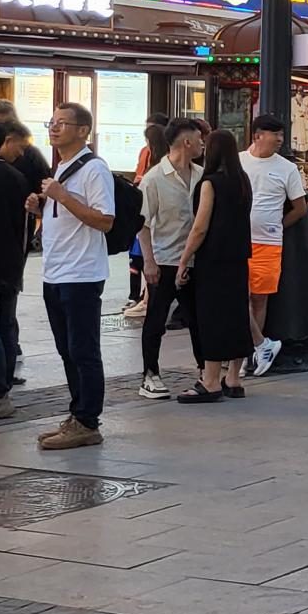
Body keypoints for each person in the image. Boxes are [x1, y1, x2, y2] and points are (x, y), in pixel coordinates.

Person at [28, 102, 115, 451]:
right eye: (52, 122)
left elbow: (104, 220)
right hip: (55, 271)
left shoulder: (95, 169)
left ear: (83, 130)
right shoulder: (63, 166)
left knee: (83, 349)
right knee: (67, 349)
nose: (54, 128)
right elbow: (64, 215)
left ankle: (88, 420)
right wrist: (42, 205)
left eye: (63, 123)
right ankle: (77, 414)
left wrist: (61, 197)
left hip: (81, 272)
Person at [175, 128, 252, 403]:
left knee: (212, 317)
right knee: (237, 314)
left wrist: (185, 259)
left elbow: (200, 227)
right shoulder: (243, 181)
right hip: (238, 258)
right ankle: (233, 378)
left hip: (214, 260)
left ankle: (209, 382)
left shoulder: (209, 183)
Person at [137, 117, 205, 401]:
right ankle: (150, 374)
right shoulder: (154, 178)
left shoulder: (202, 174)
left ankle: (206, 370)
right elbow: (143, 223)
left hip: (194, 262)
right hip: (164, 260)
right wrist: (148, 262)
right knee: (156, 318)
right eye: (199, 139)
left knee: (198, 319)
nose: (203, 143)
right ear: (186, 142)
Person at [238, 114, 306, 376]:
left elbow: (299, 207)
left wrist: (278, 225)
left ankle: (252, 354)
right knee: (238, 297)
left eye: (281, 135)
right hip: (239, 240)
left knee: (259, 298)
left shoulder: (287, 168)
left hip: (268, 242)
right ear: (257, 136)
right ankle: (256, 346)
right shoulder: (239, 161)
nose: (280, 140)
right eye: (274, 135)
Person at [0, 114, 29, 420]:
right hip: (10, 267)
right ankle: (2, 390)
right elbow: (23, 227)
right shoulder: (17, 177)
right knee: (5, 329)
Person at [123, 120, 169, 319]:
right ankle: (143, 297)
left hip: (152, 225)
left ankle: (145, 298)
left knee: (141, 258)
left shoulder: (157, 171)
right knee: (139, 259)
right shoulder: (152, 162)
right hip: (151, 225)